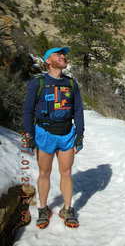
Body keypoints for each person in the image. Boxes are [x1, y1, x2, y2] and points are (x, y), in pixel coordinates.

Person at [23, 47, 84, 229]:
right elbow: (27, 111)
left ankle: (68, 208)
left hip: (67, 133)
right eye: (58, 54)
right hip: (45, 133)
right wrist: (30, 134)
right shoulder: (38, 83)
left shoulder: (71, 83)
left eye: (63, 54)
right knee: (44, 173)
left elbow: (78, 110)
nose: (63, 56)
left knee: (66, 172)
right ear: (48, 61)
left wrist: (79, 135)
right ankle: (43, 208)